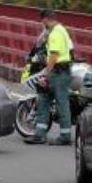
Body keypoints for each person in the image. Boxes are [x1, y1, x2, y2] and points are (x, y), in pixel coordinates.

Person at [24, 9, 75, 146]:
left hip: (57, 73)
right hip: (61, 71)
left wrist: (45, 73)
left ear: (46, 19)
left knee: (60, 103)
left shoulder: (56, 33)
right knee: (45, 99)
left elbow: (54, 55)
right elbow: (70, 48)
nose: (42, 24)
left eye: (42, 21)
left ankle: (64, 136)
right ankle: (40, 134)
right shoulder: (62, 30)